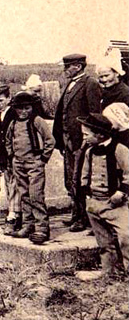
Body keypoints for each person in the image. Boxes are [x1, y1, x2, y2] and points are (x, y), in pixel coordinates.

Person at [76, 113, 129, 280]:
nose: (83, 138)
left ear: (99, 134)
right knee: (104, 241)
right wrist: (86, 195)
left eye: (86, 134)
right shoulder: (90, 151)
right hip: (94, 202)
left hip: (114, 204)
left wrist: (121, 192)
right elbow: (84, 173)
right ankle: (110, 272)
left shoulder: (120, 149)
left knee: (126, 237)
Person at [52, 53, 101, 233]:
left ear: (78, 67)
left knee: (79, 178)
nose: (65, 70)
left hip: (80, 141)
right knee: (70, 177)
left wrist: (88, 139)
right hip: (67, 140)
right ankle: (76, 214)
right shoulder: (69, 84)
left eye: (67, 67)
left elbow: (95, 115)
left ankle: (84, 218)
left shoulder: (90, 84)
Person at [5, 92, 55, 243]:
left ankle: (42, 228)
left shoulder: (37, 121)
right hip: (18, 163)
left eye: (27, 108)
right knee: (23, 194)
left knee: (36, 195)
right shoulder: (13, 123)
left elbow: (50, 141)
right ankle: (28, 225)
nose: (23, 112)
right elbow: (8, 141)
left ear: (32, 107)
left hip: (34, 162)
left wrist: (42, 159)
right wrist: (12, 156)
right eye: (20, 109)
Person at [0, 85, 20, 233]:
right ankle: (13, 214)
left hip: (13, 155)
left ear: (9, 98)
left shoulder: (13, 113)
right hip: (4, 156)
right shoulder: (1, 115)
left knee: (14, 185)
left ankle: (14, 216)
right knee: (9, 185)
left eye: (1, 100)